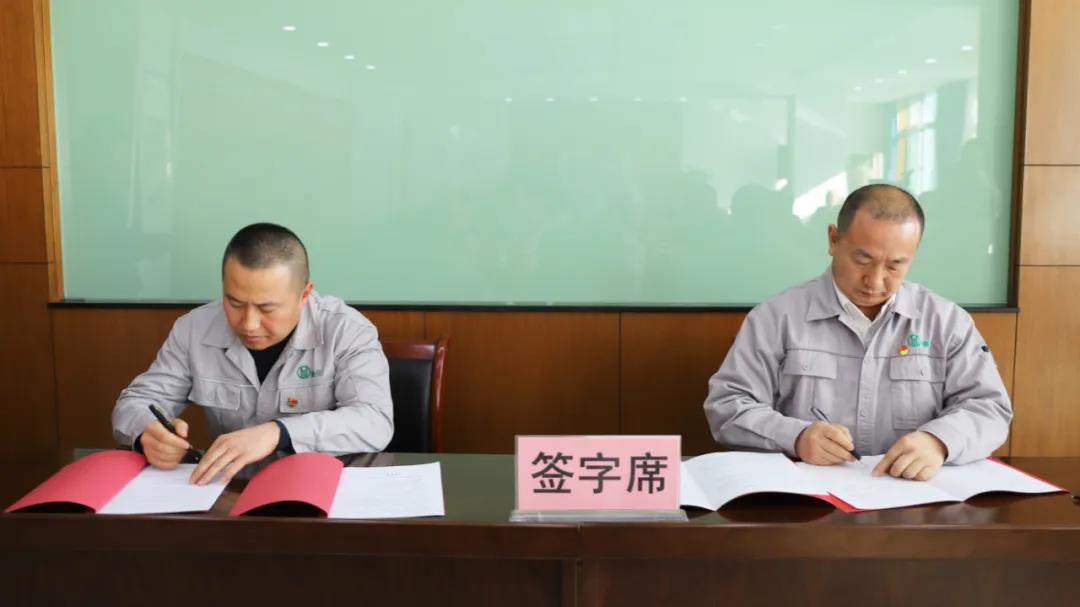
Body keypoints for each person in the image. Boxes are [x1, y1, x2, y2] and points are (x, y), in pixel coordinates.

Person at [703, 184, 1011, 480]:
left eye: (895, 266)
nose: (875, 281)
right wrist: (795, 437)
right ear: (833, 240)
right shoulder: (776, 317)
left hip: (913, 498)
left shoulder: (945, 322)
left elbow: (989, 408)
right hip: (807, 501)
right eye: (862, 260)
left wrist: (939, 441)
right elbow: (728, 405)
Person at [112, 223, 393, 484]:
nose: (248, 324)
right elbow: (136, 402)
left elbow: (374, 420)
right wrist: (147, 433)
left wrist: (279, 432)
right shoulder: (194, 329)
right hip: (231, 491)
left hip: (319, 491)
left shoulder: (346, 331)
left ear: (304, 295)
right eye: (234, 303)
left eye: (266, 308)